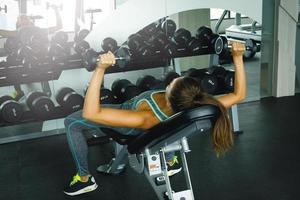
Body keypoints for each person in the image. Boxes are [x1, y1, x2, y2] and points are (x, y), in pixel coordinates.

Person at [63, 41, 247, 196]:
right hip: (151, 118)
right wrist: (238, 58)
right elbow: (239, 95)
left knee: (72, 123)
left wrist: (100, 69)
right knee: (171, 128)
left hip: (128, 120)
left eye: (173, 82)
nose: (173, 79)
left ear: (169, 95)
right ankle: (170, 160)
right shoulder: (195, 101)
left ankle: (84, 179)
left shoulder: (146, 117)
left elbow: (91, 113)